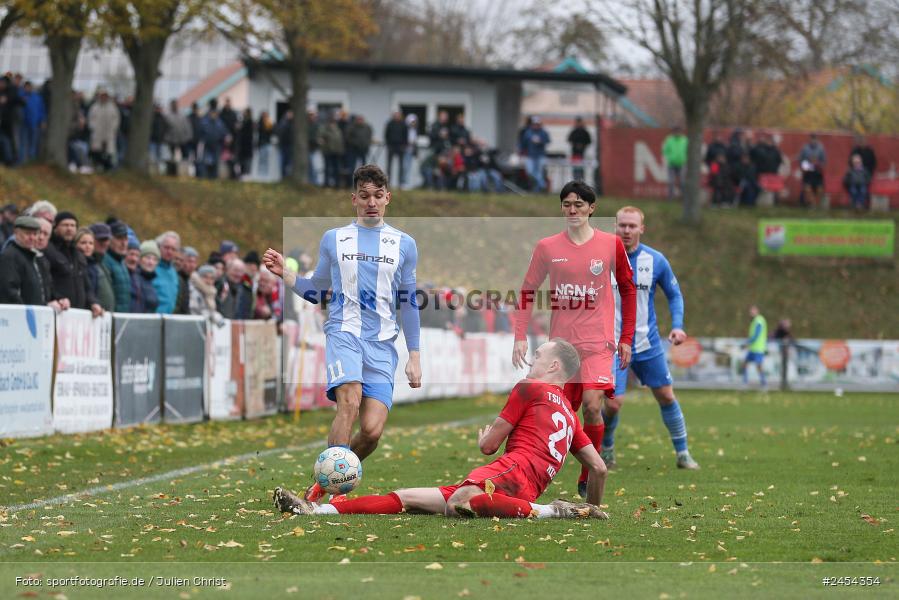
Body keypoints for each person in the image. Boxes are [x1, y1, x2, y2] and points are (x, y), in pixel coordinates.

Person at [274, 339, 609, 519]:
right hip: (520, 487)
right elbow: (598, 467)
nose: (531, 360)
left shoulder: (529, 387)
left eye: (537, 355)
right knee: (408, 498)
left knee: (460, 501)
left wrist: (484, 437)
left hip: (510, 471)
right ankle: (317, 511)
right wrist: (594, 506)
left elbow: (489, 447)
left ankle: (551, 511)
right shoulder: (570, 415)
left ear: (553, 365)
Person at [263, 163, 422, 502]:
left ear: (388, 198)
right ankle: (328, 496)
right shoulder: (334, 239)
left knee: (372, 431)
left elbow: (408, 302)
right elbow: (317, 290)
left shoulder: (404, 245)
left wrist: (415, 355)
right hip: (343, 332)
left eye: (378, 196)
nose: (371, 203)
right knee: (348, 402)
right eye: (364, 196)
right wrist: (285, 275)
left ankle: (323, 485)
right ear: (354, 199)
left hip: (382, 344)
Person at [513, 180, 636, 498]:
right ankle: (537, 470)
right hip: (562, 349)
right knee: (560, 413)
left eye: (579, 205)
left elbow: (627, 288)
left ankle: (588, 475)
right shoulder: (547, 247)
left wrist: (626, 337)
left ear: (592, 208)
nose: (572, 210)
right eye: (567, 204)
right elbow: (527, 291)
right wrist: (519, 336)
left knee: (594, 406)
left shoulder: (610, 244)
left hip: (598, 343)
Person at [603, 206, 699, 470]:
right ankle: (607, 448)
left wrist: (678, 325)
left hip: (647, 343)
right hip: (612, 343)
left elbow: (674, 294)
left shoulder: (656, 260)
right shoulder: (601, 259)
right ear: (615, 226)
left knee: (666, 396)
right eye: (622, 225)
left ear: (641, 229)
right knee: (613, 403)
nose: (627, 230)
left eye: (632, 226)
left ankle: (683, 454)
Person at [44, 212, 102, 316]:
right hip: (58, 312)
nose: (69, 229)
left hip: (77, 316)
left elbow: (87, 286)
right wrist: (57, 298)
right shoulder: (48, 250)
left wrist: (93, 302)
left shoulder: (78, 255)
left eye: (72, 225)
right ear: (55, 227)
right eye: (65, 225)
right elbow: (46, 282)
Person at [0, 216, 46, 305]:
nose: (32, 238)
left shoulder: (34, 256)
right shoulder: (9, 256)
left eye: (35, 234)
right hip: (20, 315)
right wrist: (25, 312)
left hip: (35, 314)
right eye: (28, 233)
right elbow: (8, 291)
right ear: (16, 233)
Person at [87, 87, 120, 171]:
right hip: (97, 133)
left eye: (105, 96)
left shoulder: (112, 107)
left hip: (108, 133)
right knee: (96, 151)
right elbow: (91, 118)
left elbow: (116, 119)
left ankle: (107, 168)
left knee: (108, 152)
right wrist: (93, 127)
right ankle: (97, 166)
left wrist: (113, 129)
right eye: (102, 96)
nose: (103, 97)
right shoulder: (95, 107)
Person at [105, 221, 133, 312]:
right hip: (110, 320)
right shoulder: (105, 261)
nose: (124, 243)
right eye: (119, 238)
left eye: (126, 239)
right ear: (109, 240)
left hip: (121, 320)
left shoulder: (121, 262)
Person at [88, 223, 116, 311]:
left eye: (107, 239)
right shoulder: (86, 264)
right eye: (101, 240)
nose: (104, 243)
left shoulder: (102, 263)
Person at [152, 231, 181, 314]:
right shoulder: (151, 268)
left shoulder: (174, 273)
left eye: (173, 249)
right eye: (166, 247)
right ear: (159, 247)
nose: (169, 251)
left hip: (168, 321)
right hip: (152, 319)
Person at [519, 117, 550, 192]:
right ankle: (543, 185)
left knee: (539, 172)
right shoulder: (528, 132)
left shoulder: (543, 132)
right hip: (530, 156)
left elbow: (548, 141)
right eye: (534, 124)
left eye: (537, 124)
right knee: (530, 172)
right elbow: (523, 143)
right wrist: (520, 152)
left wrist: (540, 141)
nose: (536, 126)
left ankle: (537, 190)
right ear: (532, 124)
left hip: (540, 155)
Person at [741, 305, 768, 388]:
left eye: (753, 311)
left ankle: (764, 384)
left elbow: (756, 334)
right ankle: (745, 383)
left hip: (758, 348)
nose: (751, 312)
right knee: (745, 364)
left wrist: (747, 342)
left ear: (757, 311)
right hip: (753, 348)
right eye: (751, 311)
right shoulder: (754, 321)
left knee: (758, 366)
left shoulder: (759, 320)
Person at [130, 241, 160, 313]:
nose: (151, 262)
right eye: (148, 258)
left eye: (154, 259)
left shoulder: (150, 281)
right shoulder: (133, 278)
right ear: (139, 259)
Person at [798, 134, 826, 207]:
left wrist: (817, 164)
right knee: (807, 189)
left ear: (817, 139)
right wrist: (809, 165)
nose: (813, 140)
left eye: (815, 139)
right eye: (812, 139)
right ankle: (812, 204)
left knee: (820, 190)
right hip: (808, 173)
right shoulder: (805, 148)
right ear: (809, 139)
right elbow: (801, 161)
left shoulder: (821, 149)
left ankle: (815, 204)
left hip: (817, 174)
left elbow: (824, 161)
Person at [320, 112, 345, 188]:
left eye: (334, 121)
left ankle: (337, 184)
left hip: (337, 152)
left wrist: (341, 150)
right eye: (332, 121)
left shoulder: (338, 130)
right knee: (327, 168)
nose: (333, 123)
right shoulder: (324, 129)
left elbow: (340, 141)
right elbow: (321, 139)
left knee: (337, 168)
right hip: (327, 152)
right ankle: (326, 183)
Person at [662, 126, 687, 200]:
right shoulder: (669, 140)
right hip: (671, 164)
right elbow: (665, 151)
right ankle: (670, 197)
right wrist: (669, 158)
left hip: (682, 164)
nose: (677, 133)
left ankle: (683, 197)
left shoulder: (685, 140)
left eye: (679, 131)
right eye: (676, 131)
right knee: (671, 182)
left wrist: (686, 159)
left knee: (683, 182)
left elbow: (689, 151)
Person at [383, 111, 407, 185]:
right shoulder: (390, 124)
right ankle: (388, 182)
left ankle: (400, 183)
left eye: (398, 115)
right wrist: (388, 144)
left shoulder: (403, 124)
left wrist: (404, 145)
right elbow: (386, 134)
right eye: (395, 115)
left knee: (401, 166)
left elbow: (406, 135)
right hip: (391, 146)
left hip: (400, 146)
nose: (397, 117)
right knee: (389, 166)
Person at [567, 116, 592, 182]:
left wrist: (583, 145)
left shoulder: (585, 132)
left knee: (581, 169)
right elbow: (569, 140)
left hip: (582, 153)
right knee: (575, 168)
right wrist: (575, 145)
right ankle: (575, 182)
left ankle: (581, 182)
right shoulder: (574, 131)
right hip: (574, 153)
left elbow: (589, 141)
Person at [236, 107, 255, 179]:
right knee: (242, 162)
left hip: (246, 147)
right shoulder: (244, 121)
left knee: (246, 162)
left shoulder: (249, 122)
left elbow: (246, 134)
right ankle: (243, 175)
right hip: (243, 147)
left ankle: (246, 175)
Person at [256, 110, 274, 178]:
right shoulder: (260, 123)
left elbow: (271, 133)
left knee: (266, 160)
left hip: (267, 143)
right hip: (262, 144)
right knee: (262, 160)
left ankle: (265, 174)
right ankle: (261, 174)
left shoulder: (269, 123)